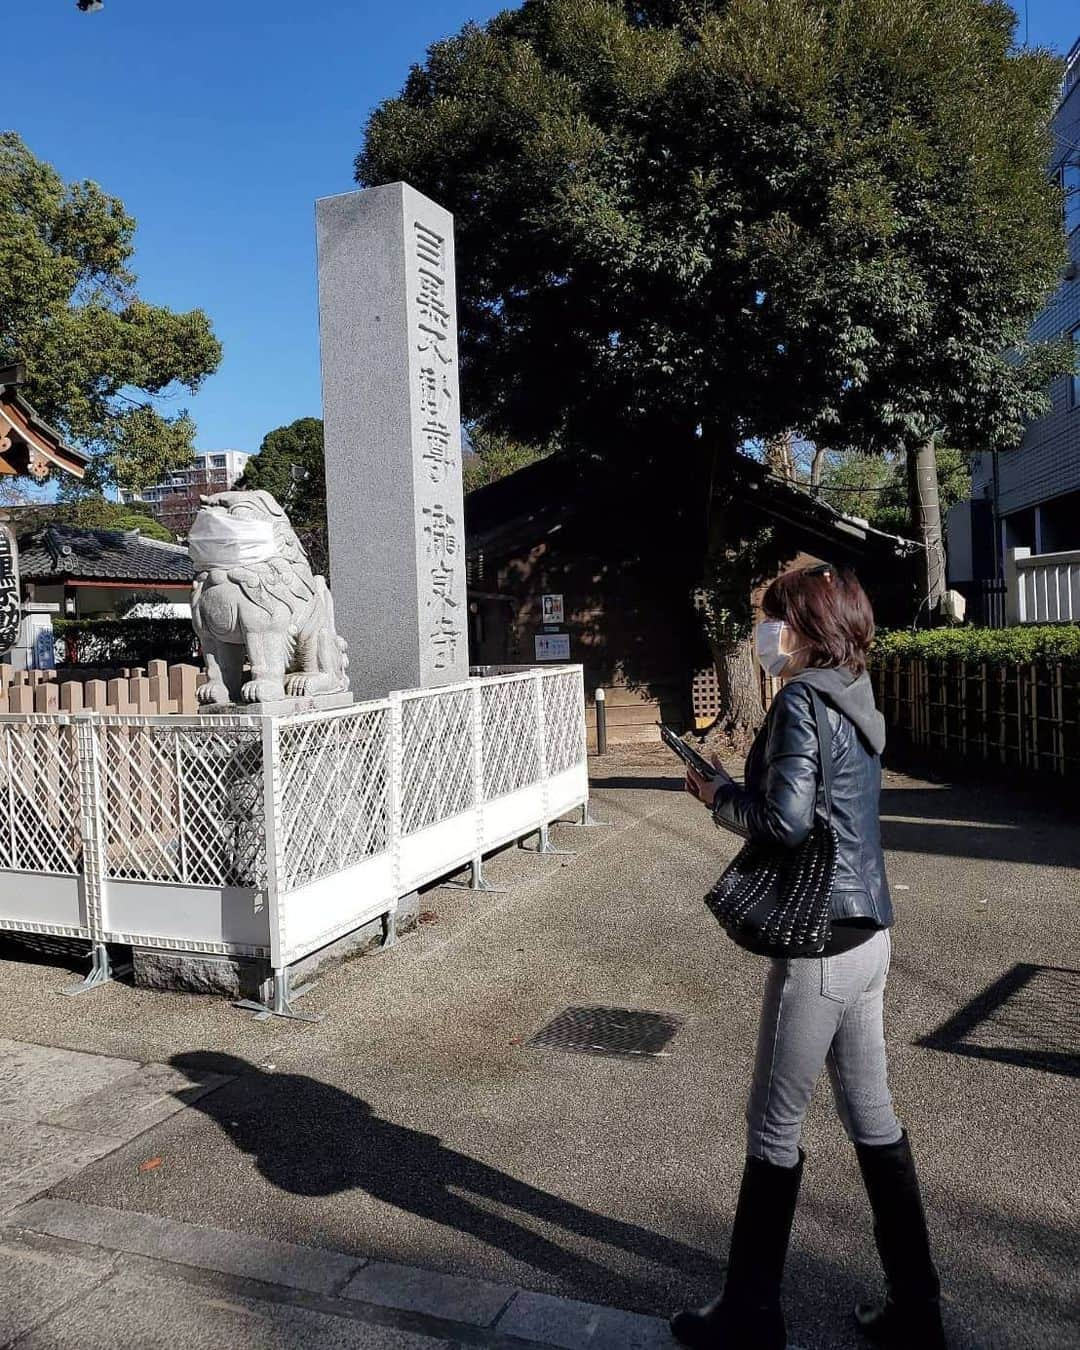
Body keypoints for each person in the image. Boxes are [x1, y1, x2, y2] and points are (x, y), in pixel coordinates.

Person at [670, 563, 945, 1350]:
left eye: (772, 618)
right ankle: (917, 1311)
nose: (765, 633)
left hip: (821, 947)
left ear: (804, 624)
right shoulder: (853, 693)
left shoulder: (798, 700)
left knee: (772, 1127)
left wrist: (718, 796)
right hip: (870, 934)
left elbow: (787, 821)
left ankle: (751, 1317)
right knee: (873, 1118)